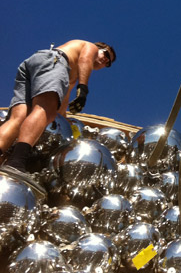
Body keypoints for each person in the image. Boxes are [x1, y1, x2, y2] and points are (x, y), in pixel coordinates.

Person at [0, 40, 116, 179]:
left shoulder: (70, 74)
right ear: (99, 47)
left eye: (108, 63)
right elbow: (85, 59)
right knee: (44, 110)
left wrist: (66, 121)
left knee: (18, 118)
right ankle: (16, 162)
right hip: (55, 61)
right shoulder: (89, 47)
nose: (105, 61)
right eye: (106, 54)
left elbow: (63, 102)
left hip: (37, 63)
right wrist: (83, 89)